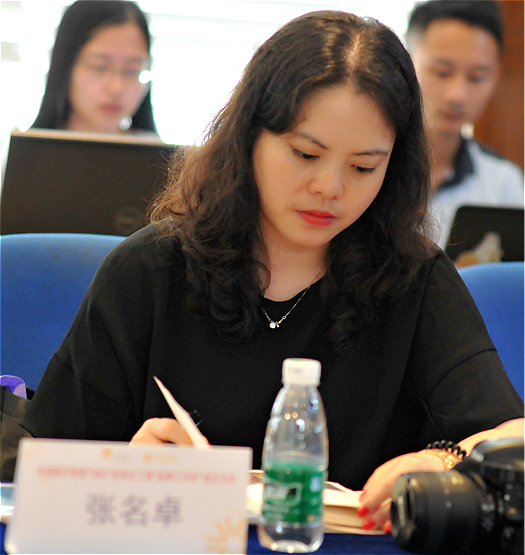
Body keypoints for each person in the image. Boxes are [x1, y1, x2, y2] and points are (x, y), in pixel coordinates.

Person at [19, 11, 523, 534]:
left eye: (363, 166)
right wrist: (123, 466)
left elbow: (513, 437)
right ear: (249, 137)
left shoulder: (413, 278)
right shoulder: (151, 270)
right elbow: (40, 467)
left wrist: (441, 461)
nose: (330, 187)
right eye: (306, 154)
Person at [406, 0, 524, 249]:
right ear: (406, 64)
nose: (457, 95)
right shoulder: (367, 164)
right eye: (442, 72)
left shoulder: (502, 183)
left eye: (476, 77)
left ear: (495, 76)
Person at [30, 0, 157, 134]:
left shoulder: (155, 147)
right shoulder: (26, 146)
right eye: (100, 67)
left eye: (132, 71)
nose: (116, 87)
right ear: (65, 67)